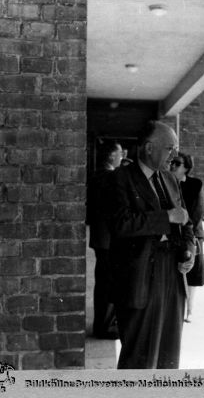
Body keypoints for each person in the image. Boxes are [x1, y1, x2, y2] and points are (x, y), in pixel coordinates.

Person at [108, 120, 196, 369]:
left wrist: (189, 250)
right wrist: (165, 217)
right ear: (149, 148)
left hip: (172, 277)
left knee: (169, 355)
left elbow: (186, 221)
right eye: (170, 148)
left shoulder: (169, 179)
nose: (175, 155)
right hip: (141, 278)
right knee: (138, 358)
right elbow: (120, 224)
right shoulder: (120, 179)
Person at [87, 140, 123, 339]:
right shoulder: (108, 177)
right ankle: (105, 326)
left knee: (104, 282)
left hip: (101, 237)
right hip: (108, 239)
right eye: (119, 153)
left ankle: (103, 323)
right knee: (108, 283)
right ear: (111, 156)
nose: (122, 156)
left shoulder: (97, 175)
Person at [170, 152, 204, 323]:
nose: (172, 166)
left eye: (177, 164)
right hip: (173, 234)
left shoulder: (195, 184)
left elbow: (196, 213)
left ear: (186, 168)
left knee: (192, 273)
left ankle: (190, 309)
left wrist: (188, 234)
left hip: (191, 233)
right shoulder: (167, 183)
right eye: (172, 162)